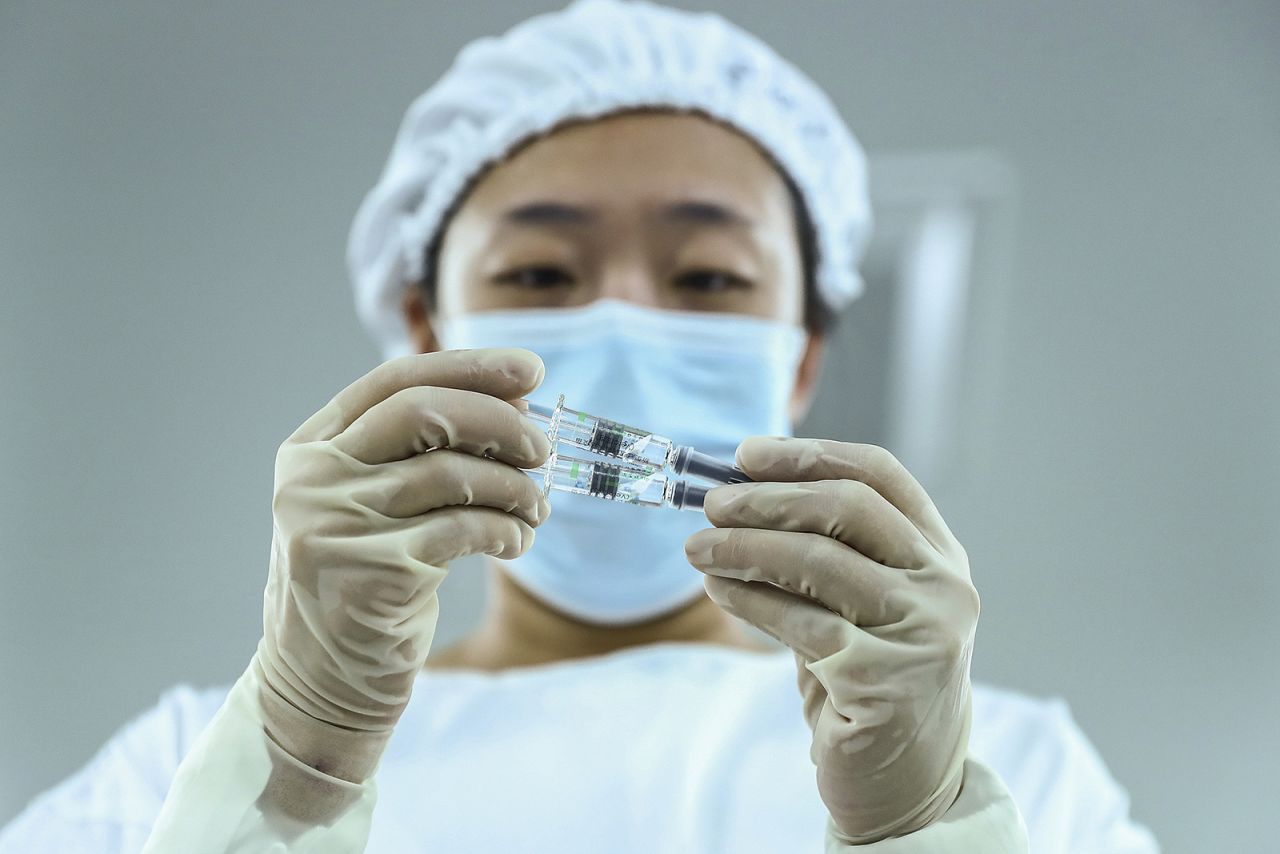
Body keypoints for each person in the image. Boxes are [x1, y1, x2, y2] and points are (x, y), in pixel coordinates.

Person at [0, 1, 1160, 852]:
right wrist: (293, 771)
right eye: (541, 268)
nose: (619, 324)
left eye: (706, 277)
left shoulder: (1015, 768)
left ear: (800, 354)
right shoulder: (180, 762)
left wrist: (923, 824)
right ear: (422, 327)